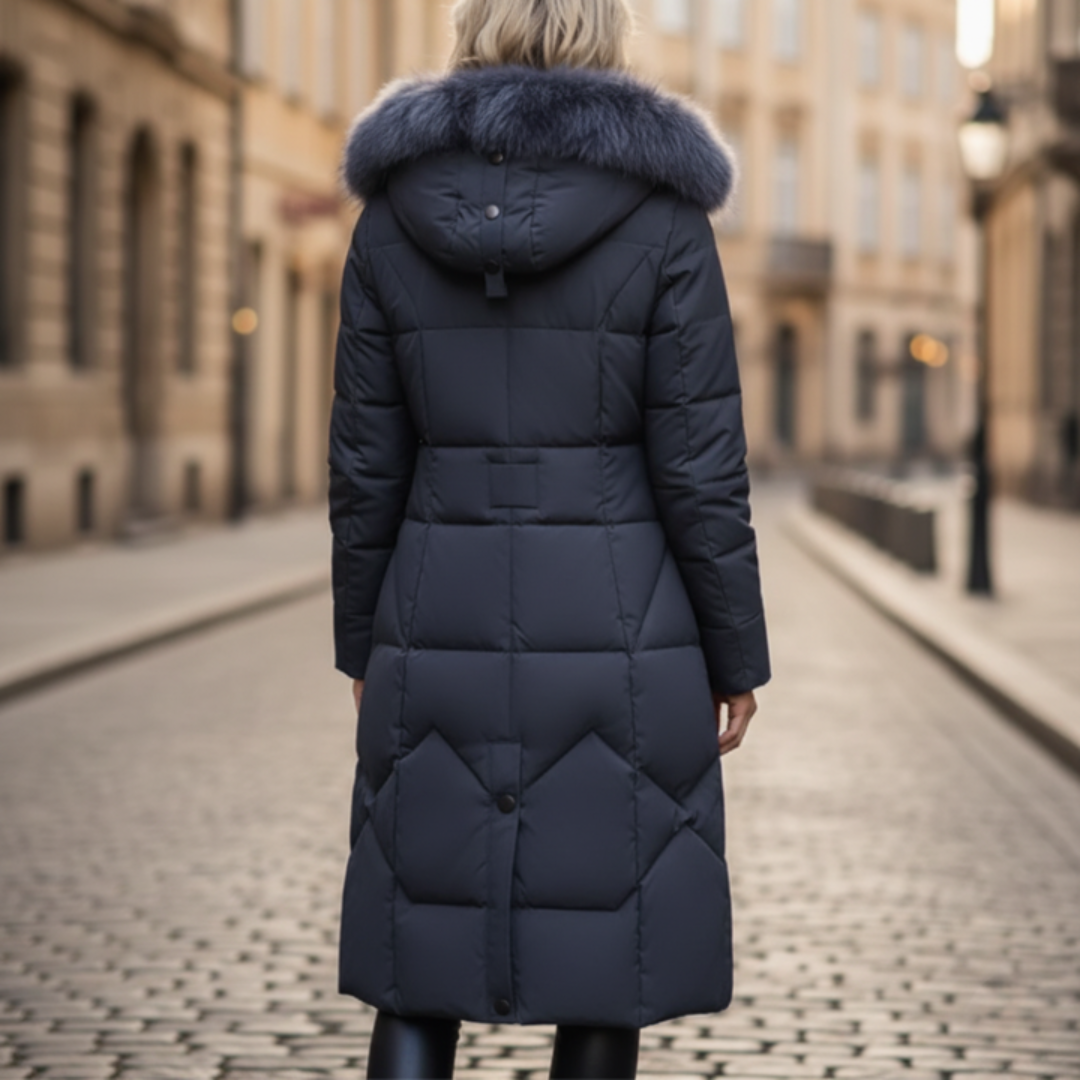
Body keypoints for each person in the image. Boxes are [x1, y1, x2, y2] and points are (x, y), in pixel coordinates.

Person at [327, 0, 771, 1075]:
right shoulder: (664, 217)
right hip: (625, 632)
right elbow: (702, 467)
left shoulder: (391, 214)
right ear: (605, 38)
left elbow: (362, 466)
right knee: (604, 956)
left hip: (434, 615)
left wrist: (362, 643)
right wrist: (735, 656)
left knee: (414, 952)